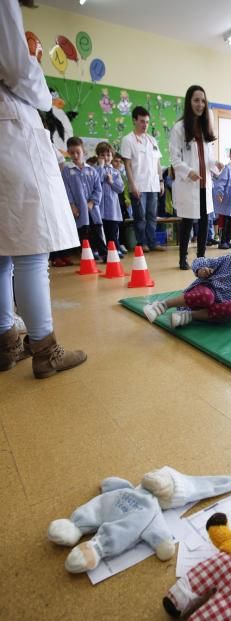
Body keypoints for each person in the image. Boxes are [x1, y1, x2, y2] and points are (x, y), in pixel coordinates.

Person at [0, 0, 86, 379]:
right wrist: (43, 93)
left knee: (1, 253)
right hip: (10, 129)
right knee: (32, 251)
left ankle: (6, 342)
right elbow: (19, 69)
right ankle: (45, 350)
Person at [143, 231, 231, 328]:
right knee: (207, 295)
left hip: (212, 310)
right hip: (204, 294)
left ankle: (188, 316)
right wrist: (201, 270)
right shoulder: (229, 260)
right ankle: (162, 305)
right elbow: (202, 261)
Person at [169, 85, 223, 269]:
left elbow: (207, 158)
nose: (200, 104)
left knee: (204, 220)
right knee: (187, 222)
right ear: (189, 102)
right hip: (188, 183)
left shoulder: (205, 128)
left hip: (204, 183)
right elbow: (175, 158)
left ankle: (200, 258)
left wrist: (216, 164)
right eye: (196, 100)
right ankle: (182, 258)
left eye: (203, 101)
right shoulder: (179, 128)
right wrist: (187, 171)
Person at [121, 106, 165, 253]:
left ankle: (152, 243)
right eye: (141, 121)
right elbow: (127, 165)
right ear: (134, 121)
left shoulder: (152, 140)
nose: (145, 124)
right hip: (138, 185)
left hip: (153, 185)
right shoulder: (128, 140)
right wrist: (132, 185)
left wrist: (161, 181)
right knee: (140, 217)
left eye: (146, 122)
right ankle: (142, 243)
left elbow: (158, 163)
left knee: (152, 216)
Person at [61, 137, 108, 262]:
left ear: (84, 151)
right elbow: (66, 190)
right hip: (79, 210)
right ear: (68, 153)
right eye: (72, 153)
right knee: (84, 233)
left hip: (93, 209)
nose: (75, 155)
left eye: (78, 152)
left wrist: (92, 202)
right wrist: (72, 205)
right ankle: (88, 256)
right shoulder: (66, 171)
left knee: (97, 231)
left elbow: (98, 189)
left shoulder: (92, 170)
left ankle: (104, 254)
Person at [95, 141, 125, 255]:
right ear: (98, 156)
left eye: (108, 155)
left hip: (112, 209)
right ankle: (100, 250)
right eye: (102, 155)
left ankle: (115, 249)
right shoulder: (95, 170)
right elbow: (94, 182)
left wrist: (111, 182)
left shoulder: (115, 172)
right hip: (99, 208)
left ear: (112, 156)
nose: (106, 158)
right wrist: (101, 167)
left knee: (112, 231)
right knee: (100, 230)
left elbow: (120, 188)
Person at [213, 145, 231, 249]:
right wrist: (219, 193)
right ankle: (222, 241)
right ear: (230, 156)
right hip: (225, 202)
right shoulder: (227, 168)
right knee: (224, 223)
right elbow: (220, 182)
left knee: (230, 223)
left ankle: (228, 240)